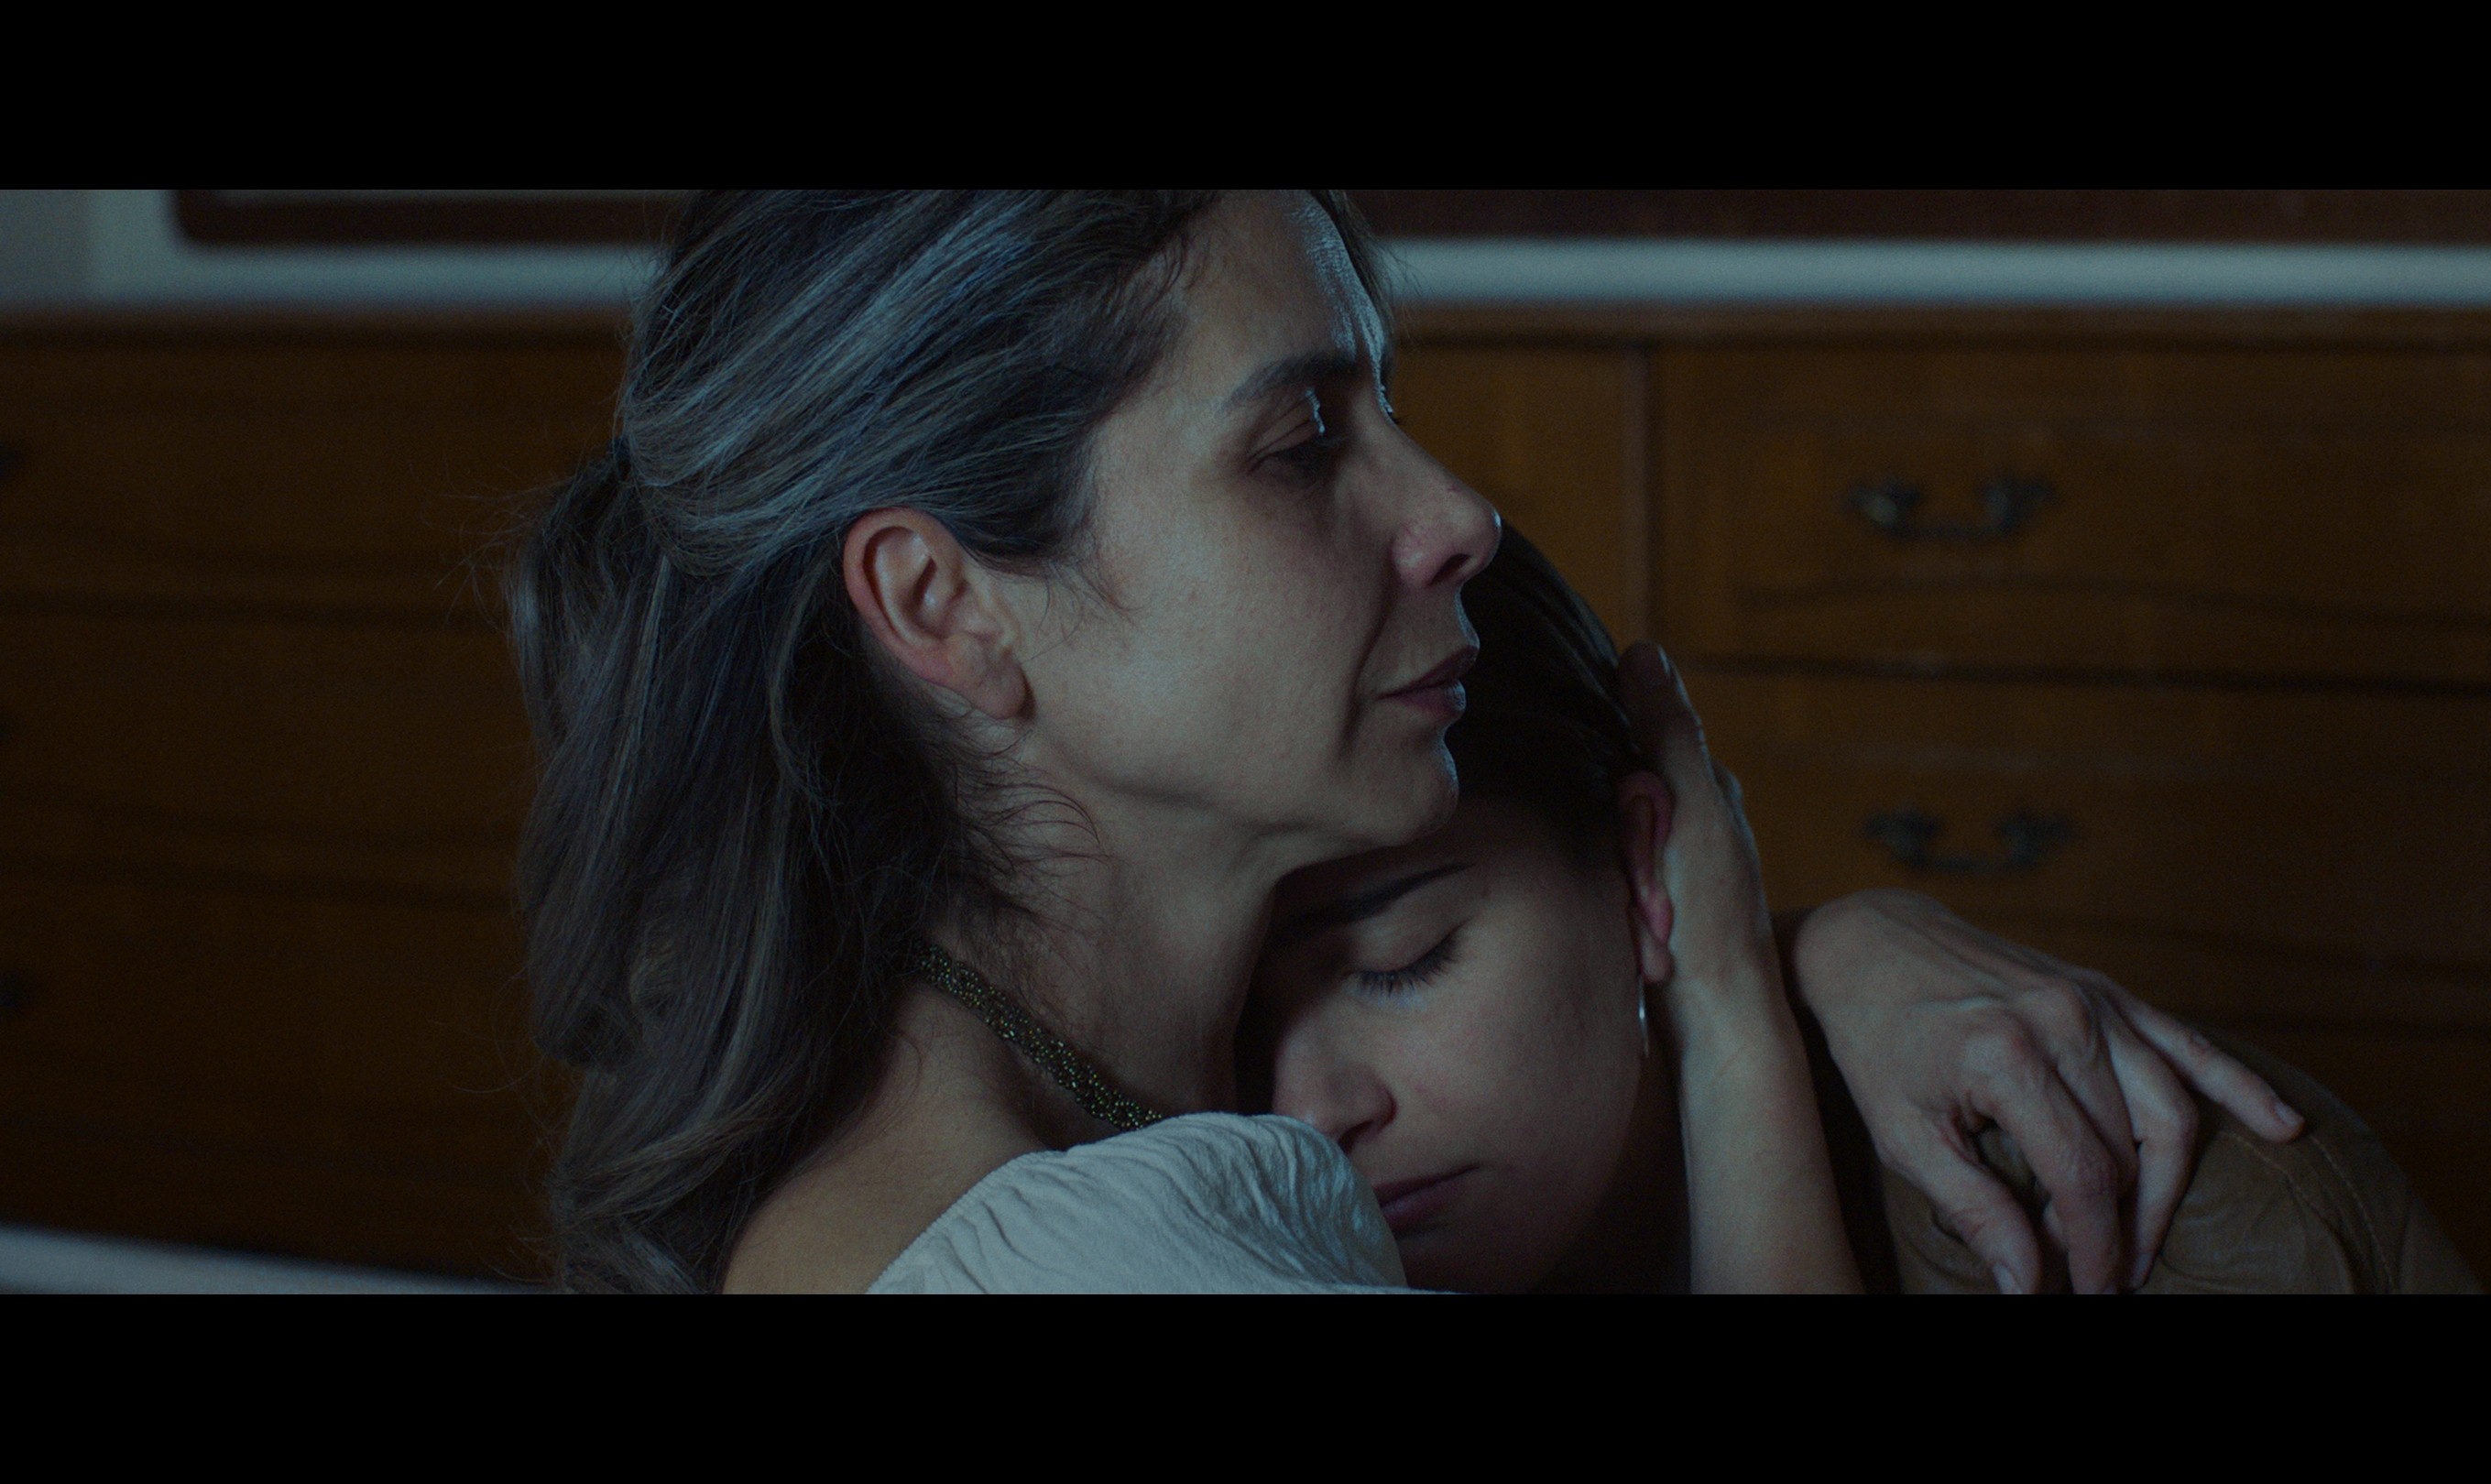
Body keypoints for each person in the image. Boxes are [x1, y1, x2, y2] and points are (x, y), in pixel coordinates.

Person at [511, 190, 2300, 1293]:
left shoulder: (1095, 1112)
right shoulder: (1112, 1269)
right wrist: (1755, 1013)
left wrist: (1819, 957)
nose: (1459, 516)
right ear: (947, 606)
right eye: (1298, 445)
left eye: (1393, 407)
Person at [1249, 527, 2477, 1292]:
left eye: (1401, 962)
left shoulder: (2133, 1223)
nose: (1304, 1115)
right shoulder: (1203, 1208)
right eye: (1232, 1016)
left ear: (1643, 868)